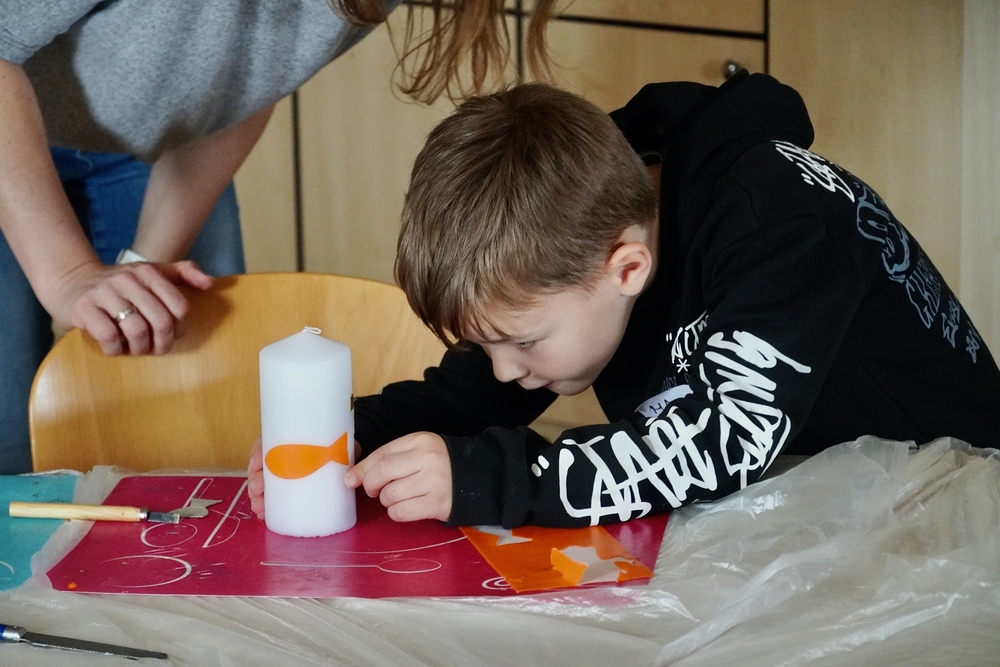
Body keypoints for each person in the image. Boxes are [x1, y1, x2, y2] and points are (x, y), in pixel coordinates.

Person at [248, 74, 1000, 529]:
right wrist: (348, 436)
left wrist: (490, 478)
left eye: (525, 343)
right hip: (801, 503)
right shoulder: (580, 224)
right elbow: (477, 391)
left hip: (947, 505)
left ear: (628, 268)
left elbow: (723, 438)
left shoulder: (779, 220)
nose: (506, 370)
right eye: (489, 343)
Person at [0, 0, 556, 474]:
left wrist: (145, 264)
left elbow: (253, 74)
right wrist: (67, 274)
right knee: (9, 433)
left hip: (160, 144)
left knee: (189, 428)